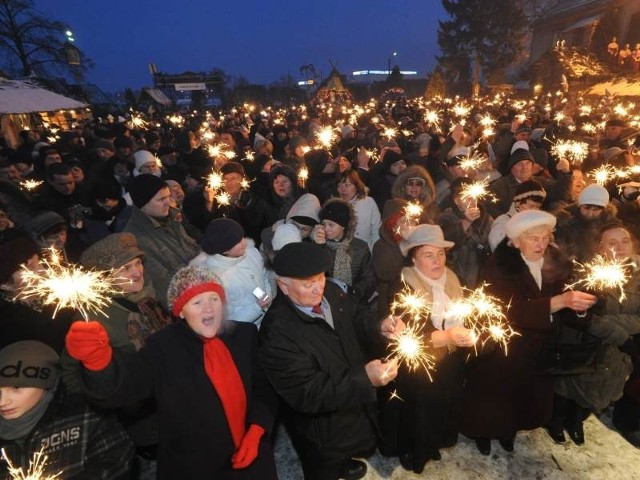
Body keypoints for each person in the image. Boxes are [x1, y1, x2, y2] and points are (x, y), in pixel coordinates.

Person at [64, 265, 278, 479]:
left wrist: (257, 429)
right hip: (197, 468)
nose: (209, 309)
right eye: (197, 302)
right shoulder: (162, 348)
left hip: (254, 458)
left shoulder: (244, 334)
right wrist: (97, 361)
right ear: (180, 311)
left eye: (214, 298)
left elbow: (264, 387)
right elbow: (122, 390)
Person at [259, 242, 400, 480]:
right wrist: (364, 379)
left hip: (353, 408)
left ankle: (346, 460)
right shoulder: (276, 333)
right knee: (324, 467)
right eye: (307, 284)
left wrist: (380, 326)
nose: (318, 289)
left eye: (321, 278)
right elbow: (308, 392)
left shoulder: (333, 293)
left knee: (349, 446)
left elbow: (359, 315)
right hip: (321, 431)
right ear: (283, 286)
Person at [459, 210, 597, 455]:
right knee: (493, 398)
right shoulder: (497, 266)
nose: (541, 244)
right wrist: (560, 301)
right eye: (533, 238)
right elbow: (512, 311)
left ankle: (507, 432)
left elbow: (565, 305)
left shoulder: (556, 262)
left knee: (520, 400)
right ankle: (481, 433)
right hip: (503, 348)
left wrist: (579, 308)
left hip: (538, 350)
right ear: (514, 241)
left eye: (545, 238)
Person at [379, 224, 475, 474]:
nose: (437, 260)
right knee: (418, 412)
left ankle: (432, 442)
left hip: (450, 361)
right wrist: (448, 336)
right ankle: (413, 451)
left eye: (440, 253)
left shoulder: (454, 280)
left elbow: (470, 313)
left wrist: (468, 333)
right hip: (418, 367)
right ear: (413, 257)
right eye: (428, 255)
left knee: (441, 406)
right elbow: (406, 335)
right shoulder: (403, 284)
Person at [0, 340, 134, 479]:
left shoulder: (85, 414)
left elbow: (116, 461)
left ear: (44, 382)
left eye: (16, 388)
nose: (2, 402)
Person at [122, 174, 200, 306]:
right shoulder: (134, 240)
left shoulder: (170, 218)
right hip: (185, 302)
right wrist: (200, 267)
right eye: (161, 199)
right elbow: (162, 286)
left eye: (169, 196)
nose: (168, 203)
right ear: (143, 204)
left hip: (202, 285)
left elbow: (192, 248)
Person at [190, 218, 273, 327]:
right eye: (236, 242)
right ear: (224, 250)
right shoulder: (215, 279)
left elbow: (264, 275)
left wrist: (268, 294)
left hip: (269, 319)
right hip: (250, 329)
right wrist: (256, 307)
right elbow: (226, 318)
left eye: (242, 237)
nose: (243, 243)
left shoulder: (252, 253)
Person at [311, 199, 376, 303]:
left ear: (343, 226)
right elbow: (314, 272)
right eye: (324, 224)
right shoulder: (319, 245)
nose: (326, 229)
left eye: (331, 225)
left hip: (353, 303)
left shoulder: (360, 247)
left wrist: (356, 291)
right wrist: (319, 247)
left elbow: (369, 278)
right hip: (324, 302)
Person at [438, 177, 493, 288]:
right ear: (456, 201)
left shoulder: (487, 219)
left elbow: (491, 247)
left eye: (474, 197)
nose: (472, 201)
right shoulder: (446, 218)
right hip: (457, 280)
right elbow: (445, 244)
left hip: (482, 278)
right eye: (467, 198)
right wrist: (467, 222)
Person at [336, 169, 381, 251]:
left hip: (366, 253)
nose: (343, 190)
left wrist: (374, 253)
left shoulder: (368, 202)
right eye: (339, 186)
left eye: (347, 185)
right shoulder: (334, 206)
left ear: (356, 186)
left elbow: (376, 231)